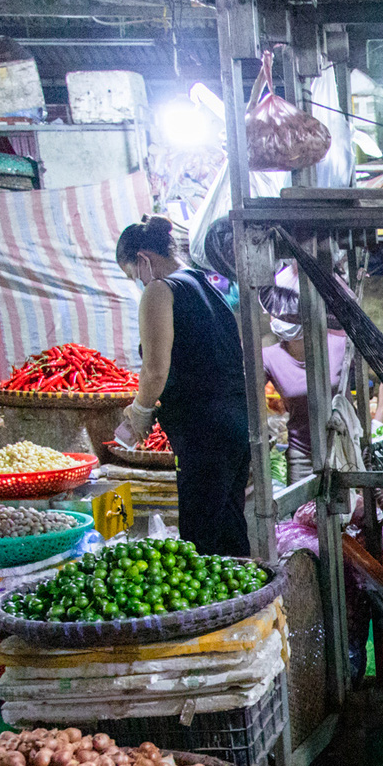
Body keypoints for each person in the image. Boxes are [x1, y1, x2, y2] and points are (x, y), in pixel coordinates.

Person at [113, 215, 252, 557]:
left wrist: (140, 411)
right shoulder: (209, 287)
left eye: (133, 275)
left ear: (143, 259)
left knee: (201, 538)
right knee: (230, 529)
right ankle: (250, 606)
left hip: (202, 430)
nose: (139, 284)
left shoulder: (161, 290)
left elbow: (155, 370)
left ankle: (212, 611)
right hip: (237, 424)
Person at [258, 264, 351, 486]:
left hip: (345, 448)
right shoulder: (268, 358)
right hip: (301, 454)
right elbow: (245, 396)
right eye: (276, 314)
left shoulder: (339, 343)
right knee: (302, 518)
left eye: (289, 314)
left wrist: (375, 423)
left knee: (350, 514)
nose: (282, 319)